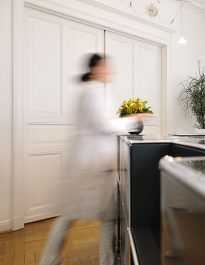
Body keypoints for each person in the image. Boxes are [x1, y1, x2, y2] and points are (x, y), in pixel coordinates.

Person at [40, 54, 141, 265]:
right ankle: (50, 261)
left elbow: (104, 123)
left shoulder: (94, 91)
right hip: (88, 166)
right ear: (95, 69)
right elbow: (102, 125)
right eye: (106, 67)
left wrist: (124, 121)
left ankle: (106, 260)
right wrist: (132, 121)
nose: (110, 72)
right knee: (72, 216)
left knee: (106, 216)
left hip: (94, 164)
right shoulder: (92, 91)